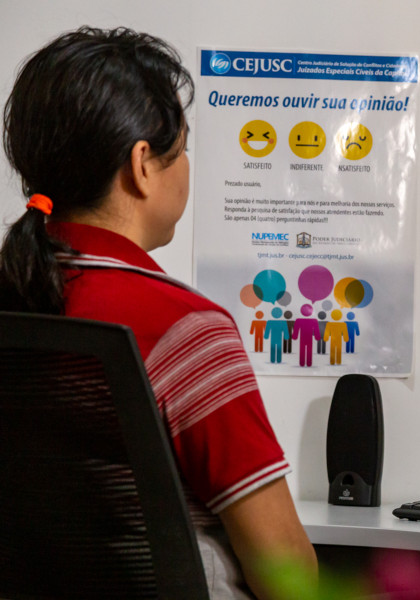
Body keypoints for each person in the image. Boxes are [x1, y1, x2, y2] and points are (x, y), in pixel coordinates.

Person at [0, 27, 316, 598]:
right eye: (184, 148)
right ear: (142, 164)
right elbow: (287, 576)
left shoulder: (14, 298)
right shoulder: (185, 330)